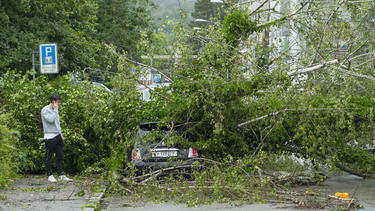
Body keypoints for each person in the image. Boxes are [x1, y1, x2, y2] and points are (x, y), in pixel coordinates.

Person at [41, 94, 72, 183]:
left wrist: (61, 134)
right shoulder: (45, 110)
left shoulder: (55, 110)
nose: (59, 104)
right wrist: (55, 110)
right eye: (58, 102)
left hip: (58, 136)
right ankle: (50, 175)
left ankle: (61, 175)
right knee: (48, 156)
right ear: (53, 101)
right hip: (49, 136)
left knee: (59, 155)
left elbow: (57, 123)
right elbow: (50, 120)